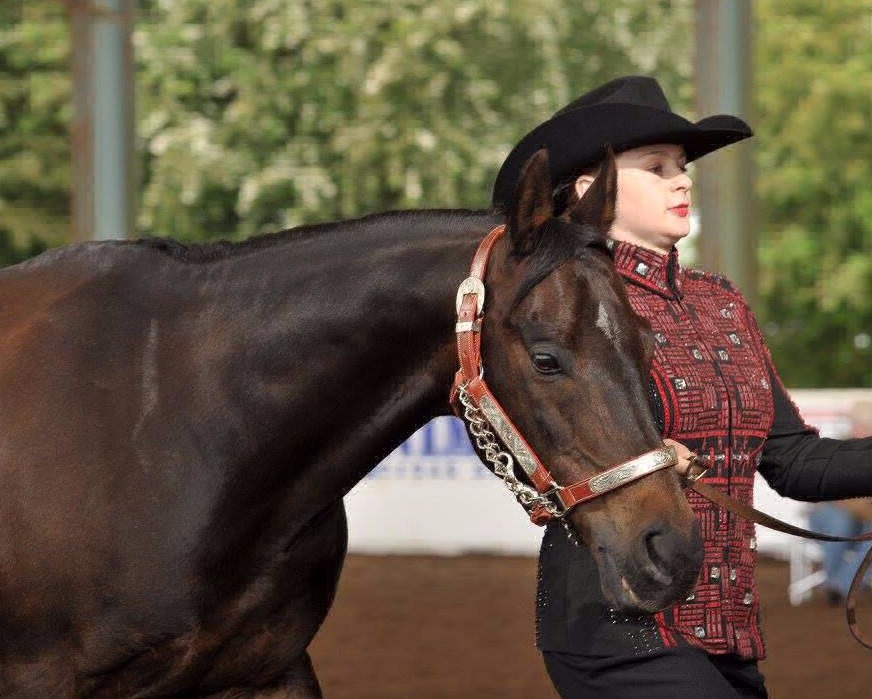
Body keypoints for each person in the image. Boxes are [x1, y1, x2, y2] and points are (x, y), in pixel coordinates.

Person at [491, 75, 872, 698]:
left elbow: (795, 461)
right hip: (620, 628)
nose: (683, 180)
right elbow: (533, 439)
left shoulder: (721, 302)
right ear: (593, 189)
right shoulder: (564, 310)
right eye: (657, 166)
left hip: (730, 633)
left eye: (683, 166)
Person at [808, 401, 872, 605]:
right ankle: (841, 586)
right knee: (839, 522)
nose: (855, 429)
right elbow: (831, 494)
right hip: (832, 515)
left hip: (861, 518)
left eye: (860, 425)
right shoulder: (836, 449)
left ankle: (839, 586)